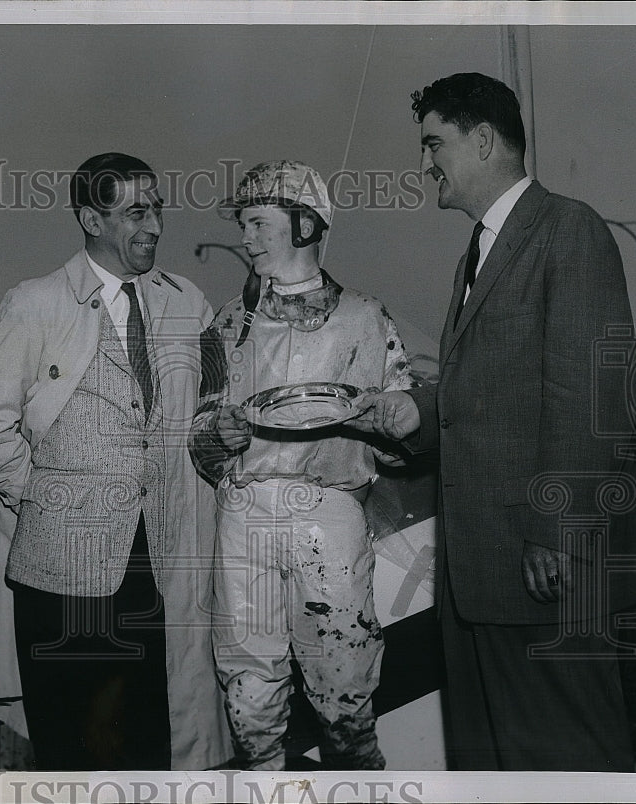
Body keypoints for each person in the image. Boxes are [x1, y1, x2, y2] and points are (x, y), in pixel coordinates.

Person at [353, 73, 636, 771]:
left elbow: (591, 398)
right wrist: (415, 413)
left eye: (434, 143)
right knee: (503, 768)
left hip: (546, 571)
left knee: (570, 762)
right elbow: (487, 389)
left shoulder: (568, 230)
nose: (424, 164)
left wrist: (552, 532)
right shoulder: (479, 252)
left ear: (483, 140)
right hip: (489, 576)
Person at [0, 152, 230, 770]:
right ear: (90, 218)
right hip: (58, 575)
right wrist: (41, 494)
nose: (154, 225)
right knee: (73, 746)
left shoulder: (189, 303)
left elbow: (213, 406)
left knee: (145, 740)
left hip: (154, 566)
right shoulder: (36, 303)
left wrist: (225, 431)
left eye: (157, 208)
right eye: (135, 211)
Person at [188, 160, 416, 771]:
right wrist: (220, 432)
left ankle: (357, 781)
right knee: (250, 691)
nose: (247, 238)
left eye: (259, 223)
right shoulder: (228, 324)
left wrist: (382, 421)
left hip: (329, 513)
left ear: (307, 226)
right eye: (244, 225)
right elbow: (200, 433)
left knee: (345, 685)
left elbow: (403, 436)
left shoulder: (366, 318)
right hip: (245, 513)